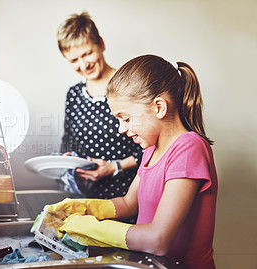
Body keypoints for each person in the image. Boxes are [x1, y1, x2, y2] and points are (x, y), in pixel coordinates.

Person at [47, 54, 218, 269]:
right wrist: (84, 207)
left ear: (159, 107)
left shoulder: (188, 148)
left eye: (126, 118)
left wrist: (91, 229)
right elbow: (128, 204)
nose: (121, 128)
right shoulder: (150, 149)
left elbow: (158, 240)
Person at [57, 12, 143, 201]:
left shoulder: (128, 85)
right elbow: (68, 140)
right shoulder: (74, 95)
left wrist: (115, 167)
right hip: (87, 199)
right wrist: (68, 158)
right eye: (74, 60)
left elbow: (153, 146)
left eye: (87, 53)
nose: (83, 64)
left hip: (129, 196)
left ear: (101, 44)